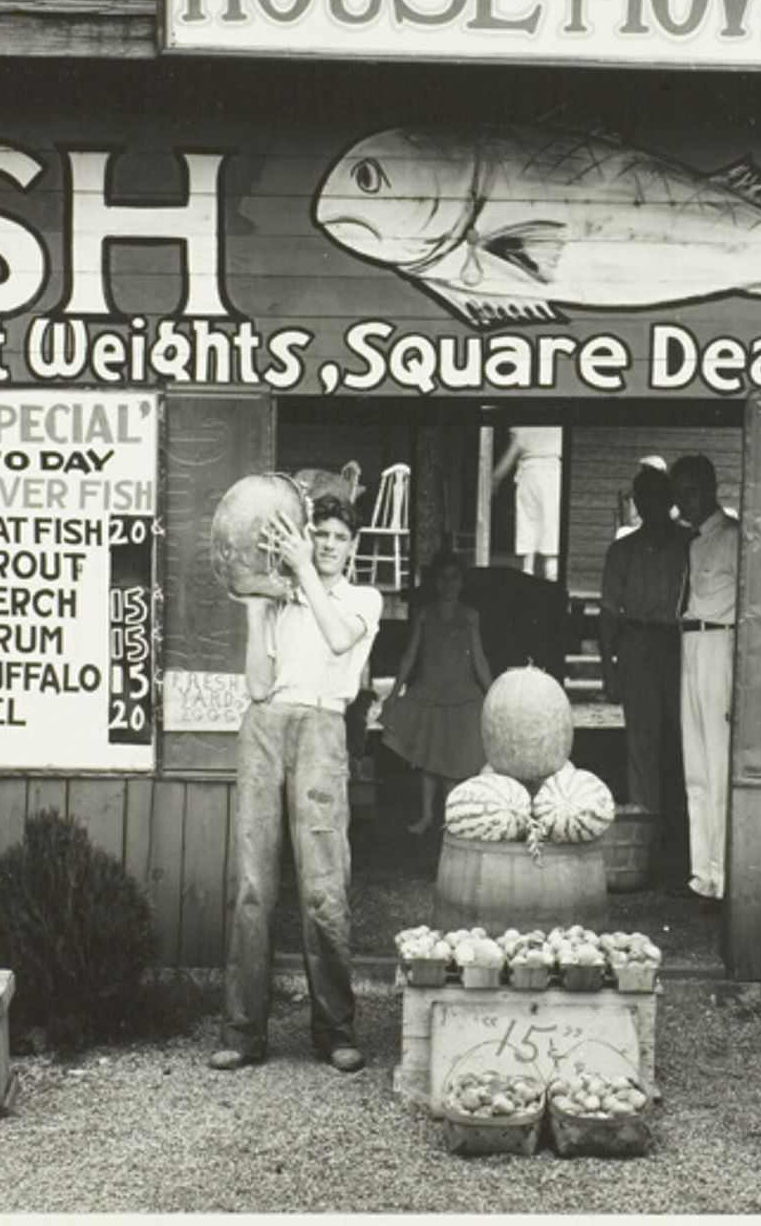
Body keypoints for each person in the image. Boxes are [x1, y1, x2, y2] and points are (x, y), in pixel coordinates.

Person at [211, 495, 383, 1074]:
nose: (329, 543)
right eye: (321, 534)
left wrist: (303, 567)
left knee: (324, 888)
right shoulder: (281, 598)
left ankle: (335, 1030)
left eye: (339, 537)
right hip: (265, 726)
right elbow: (258, 686)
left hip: (322, 728)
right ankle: (243, 1033)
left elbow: (339, 641)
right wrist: (258, 604)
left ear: (352, 547)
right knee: (254, 886)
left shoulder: (362, 598)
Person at [597, 464, 690, 872]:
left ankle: (685, 834)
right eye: (643, 498)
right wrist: (608, 668)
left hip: (679, 644)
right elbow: (607, 613)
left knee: (685, 735)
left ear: (671, 501)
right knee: (641, 738)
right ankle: (645, 835)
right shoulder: (622, 550)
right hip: (636, 644)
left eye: (659, 497)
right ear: (636, 503)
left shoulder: (690, 543)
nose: (651, 506)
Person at [380, 551, 492, 834]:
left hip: (461, 695)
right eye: (442, 578)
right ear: (434, 582)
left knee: (454, 760)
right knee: (428, 760)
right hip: (429, 693)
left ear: (462, 582)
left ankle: (452, 818)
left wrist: (492, 693)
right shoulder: (424, 615)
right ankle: (428, 815)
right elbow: (410, 655)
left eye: (454, 578)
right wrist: (395, 691)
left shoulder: (469, 617)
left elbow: (478, 658)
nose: (448, 584)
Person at [671, 453, 737, 906]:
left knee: (717, 762)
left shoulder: (733, 538)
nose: (682, 501)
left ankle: (723, 872)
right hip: (691, 643)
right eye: (678, 493)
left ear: (711, 488)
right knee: (695, 764)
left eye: (690, 491)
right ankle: (702, 874)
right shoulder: (692, 543)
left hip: (721, 644)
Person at [491, 425, 562, 580]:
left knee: (528, 521)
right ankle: (551, 570)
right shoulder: (557, 428)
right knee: (551, 521)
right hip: (553, 474)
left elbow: (510, 456)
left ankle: (528, 569)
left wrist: (495, 479)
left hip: (531, 473)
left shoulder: (524, 429)